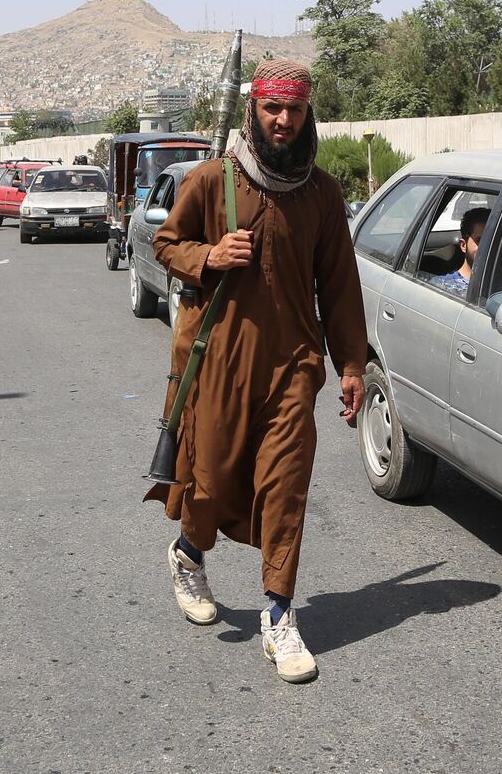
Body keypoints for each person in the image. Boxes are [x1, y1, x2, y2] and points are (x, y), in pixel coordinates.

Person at [147, 60, 367, 684]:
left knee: (285, 486)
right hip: (222, 356)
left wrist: (352, 364)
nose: (283, 120)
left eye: (294, 110)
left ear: (307, 115)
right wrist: (209, 255)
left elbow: (341, 289)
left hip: (295, 363)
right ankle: (190, 552)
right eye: (273, 109)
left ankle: (279, 613)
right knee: (211, 481)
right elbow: (165, 242)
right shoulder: (215, 180)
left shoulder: (322, 194)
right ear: (254, 111)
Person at [430, 207, 490, 299]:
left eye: (492, 241)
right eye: (480, 240)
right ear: (463, 245)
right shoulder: (442, 286)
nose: (487, 246)